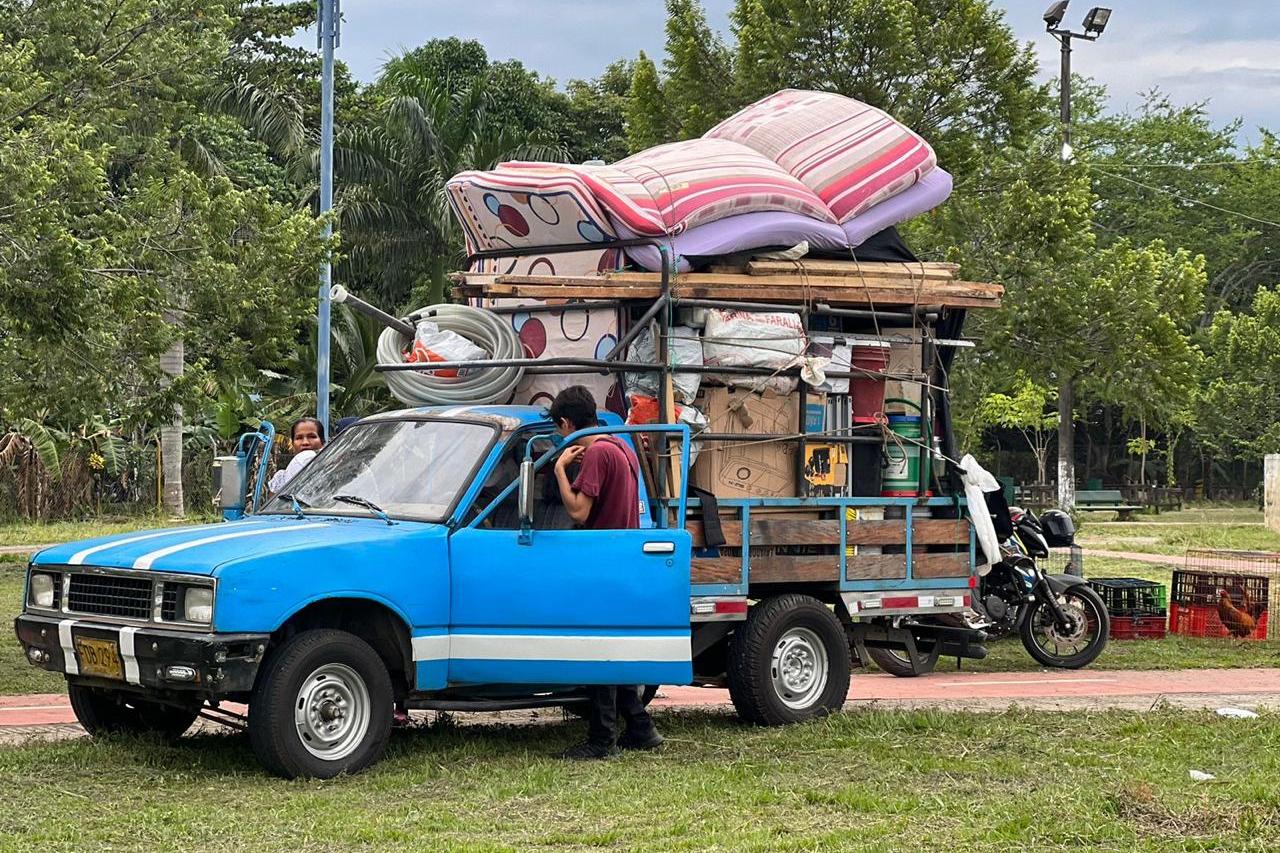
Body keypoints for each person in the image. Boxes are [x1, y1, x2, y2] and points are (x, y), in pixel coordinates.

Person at [549, 385, 664, 759]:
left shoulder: (597, 453)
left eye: (559, 429)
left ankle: (602, 740)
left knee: (598, 651)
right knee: (613, 649)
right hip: (622, 559)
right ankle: (641, 729)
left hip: (602, 560)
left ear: (567, 423)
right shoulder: (619, 446)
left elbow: (579, 511)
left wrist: (560, 469)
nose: (562, 436)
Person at [268, 417, 325, 494]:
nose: (305, 442)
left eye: (312, 436)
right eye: (299, 438)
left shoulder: (334, 469)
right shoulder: (281, 480)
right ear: (292, 443)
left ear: (322, 441)